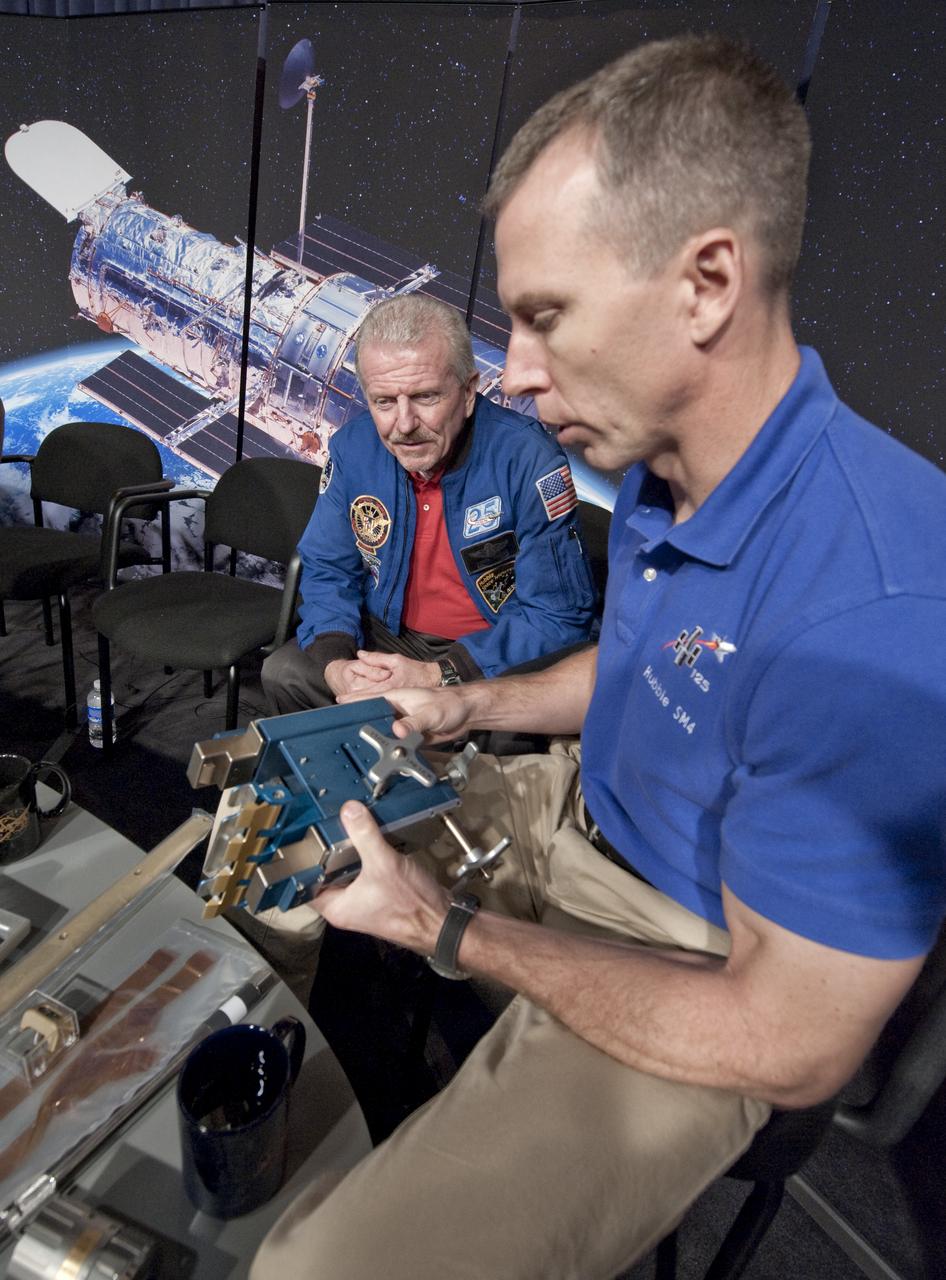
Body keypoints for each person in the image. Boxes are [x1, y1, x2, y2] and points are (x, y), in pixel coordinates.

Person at [251, 34, 946, 1280]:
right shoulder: (665, 472)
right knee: (263, 828)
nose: (511, 370)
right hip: (567, 809)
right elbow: (641, 670)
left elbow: (790, 1041)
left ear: (707, 282)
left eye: (544, 316)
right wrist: (468, 707)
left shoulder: (882, 610)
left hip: (698, 961)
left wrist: (447, 928)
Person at [261, 293, 597, 714]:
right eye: (384, 401)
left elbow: (557, 617)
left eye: (425, 397)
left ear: (469, 391)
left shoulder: (528, 460)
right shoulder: (354, 449)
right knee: (286, 672)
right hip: (387, 634)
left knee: (509, 721)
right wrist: (337, 663)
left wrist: (439, 675)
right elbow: (328, 567)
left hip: (489, 645)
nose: (404, 425)